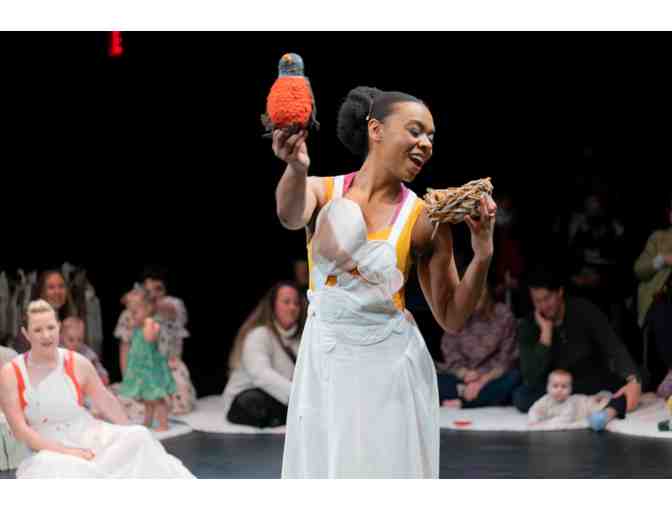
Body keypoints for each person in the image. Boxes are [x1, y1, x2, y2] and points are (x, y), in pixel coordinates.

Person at [272, 86, 496, 478]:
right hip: (326, 365)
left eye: (431, 137)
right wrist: (296, 167)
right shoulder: (322, 191)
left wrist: (482, 255)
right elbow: (290, 215)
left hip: (389, 370)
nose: (426, 144)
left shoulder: (424, 218)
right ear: (376, 130)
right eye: (415, 131)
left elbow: (452, 316)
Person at [0, 300, 193, 478]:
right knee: (65, 468)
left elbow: (105, 400)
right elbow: (20, 431)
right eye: (38, 330)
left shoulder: (77, 362)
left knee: (139, 436)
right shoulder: (11, 372)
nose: (46, 335)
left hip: (88, 434)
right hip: (50, 448)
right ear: (26, 333)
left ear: (58, 326)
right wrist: (68, 452)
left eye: (50, 327)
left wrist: (128, 429)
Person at [513, 265, 642, 431]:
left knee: (627, 385)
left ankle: (602, 411)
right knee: (521, 397)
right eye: (538, 301)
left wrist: (632, 378)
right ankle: (582, 405)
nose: (543, 305)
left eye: (547, 298)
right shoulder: (529, 324)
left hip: (588, 380)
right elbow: (530, 376)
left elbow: (613, 346)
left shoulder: (583, 309)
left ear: (559, 292)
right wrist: (546, 335)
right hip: (555, 387)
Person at [222, 281, 305, 428]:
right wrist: (299, 394)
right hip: (246, 396)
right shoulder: (259, 334)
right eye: (286, 302)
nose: (292, 307)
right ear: (273, 306)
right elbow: (261, 374)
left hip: (284, 395)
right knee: (255, 401)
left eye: (296, 303)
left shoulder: (300, 339)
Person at [436, 277, 520, 409]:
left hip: (492, 377)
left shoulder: (503, 315)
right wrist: (465, 374)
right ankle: (471, 395)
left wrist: (482, 380)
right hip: (464, 377)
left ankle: (465, 400)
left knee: (514, 378)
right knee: (434, 380)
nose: (473, 299)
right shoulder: (455, 316)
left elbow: (506, 360)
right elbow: (451, 353)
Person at [117, 291, 176, 431]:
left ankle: (163, 423)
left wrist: (147, 322)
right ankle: (148, 421)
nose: (132, 316)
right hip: (142, 368)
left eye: (135, 312)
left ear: (148, 309)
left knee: (157, 397)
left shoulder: (152, 324)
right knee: (147, 398)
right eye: (130, 312)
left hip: (152, 369)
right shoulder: (138, 326)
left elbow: (150, 338)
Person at [634, 194, 672, 399]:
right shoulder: (659, 238)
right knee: (661, 311)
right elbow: (639, 270)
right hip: (661, 299)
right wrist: (662, 259)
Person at [11, 269, 78, 353]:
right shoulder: (30, 323)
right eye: (51, 287)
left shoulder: (71, 321)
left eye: (61, 286)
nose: (57, 291)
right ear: (41, 292)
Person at [527, 369, 611, 428]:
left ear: (570, 390)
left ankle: (606, 398)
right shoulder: (545, 399)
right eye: (555, 386)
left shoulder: (569, 404)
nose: (559, 390)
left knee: (598, 406)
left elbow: (563, 420)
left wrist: (544, 424)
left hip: (584, 405)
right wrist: (533, 419)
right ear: (548, 387)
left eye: (564, 387)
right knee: (595, 400)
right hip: (580, 399)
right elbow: (535, 409)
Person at [61, 317, 109, 386]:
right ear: (62, 337)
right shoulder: (60, 353)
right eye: (71, 340)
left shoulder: (86, 352)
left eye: (79, 340)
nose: (75, 344)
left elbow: (97, 365)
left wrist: (102, 375)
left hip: (84, 384)